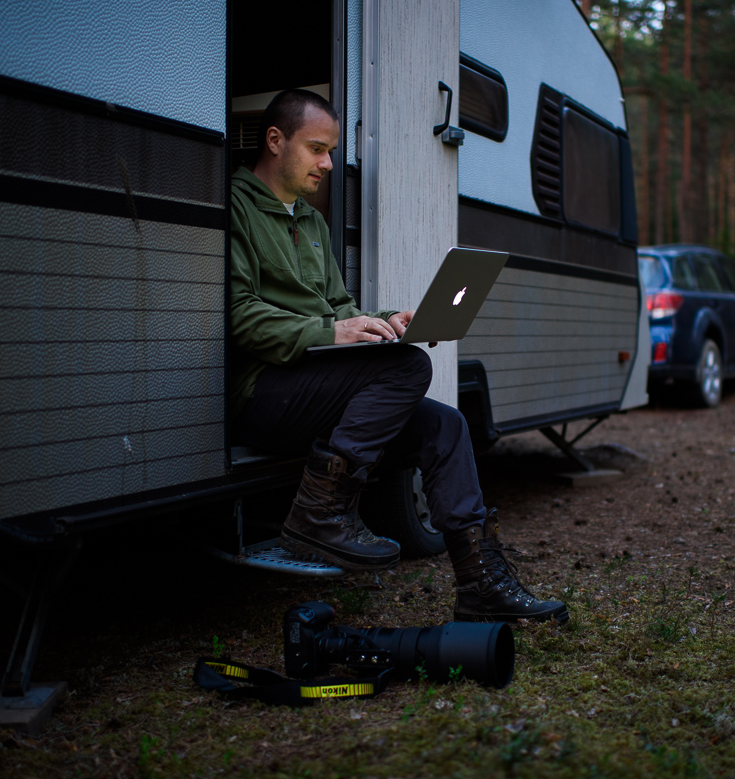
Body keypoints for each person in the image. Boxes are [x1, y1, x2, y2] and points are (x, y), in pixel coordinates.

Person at [229, 89, 566, 624]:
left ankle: (480, 583)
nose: (328, 164)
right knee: (409, 367)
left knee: (447, 425)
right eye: (317, 149)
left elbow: (337, 308)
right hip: (265, 393)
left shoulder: (312, 223)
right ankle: (320, 513)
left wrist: (384, 322)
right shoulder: (235, 208)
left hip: (317, 388)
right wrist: (330, 331)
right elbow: (240, 316)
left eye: (331, 151)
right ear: (275, 140)